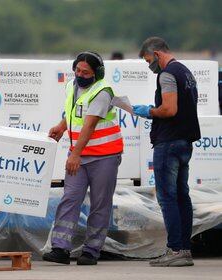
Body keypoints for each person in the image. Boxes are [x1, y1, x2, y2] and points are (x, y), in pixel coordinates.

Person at [43, 51, 123, 265]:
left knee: (100, 204)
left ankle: (91, 251)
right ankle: (60, 248)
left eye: (85, 72)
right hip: (79, 155)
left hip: (104, 157)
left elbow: (89, 124)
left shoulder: (102, 91)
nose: (80, 75)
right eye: (77, 70)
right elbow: (71, 112)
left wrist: (75, 153)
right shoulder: (72, 86)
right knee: (70, 198)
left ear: (96, 74)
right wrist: (61, 127)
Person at [133, 37, 201, 267]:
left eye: (149, 60)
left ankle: (174, 249)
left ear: (158, 54)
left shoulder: (167, 74)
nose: (149, 65)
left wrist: (149, 111)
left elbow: (170, 109)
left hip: (169, 142)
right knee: (182, 196)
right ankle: (184, 249)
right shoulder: (186, 72)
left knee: (168, 197)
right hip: (185, 141)